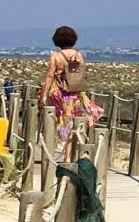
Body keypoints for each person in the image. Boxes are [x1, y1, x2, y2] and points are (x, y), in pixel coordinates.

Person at [43, 25, 102, 161]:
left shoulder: (56, 57)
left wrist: (44, 95)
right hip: (76, 92)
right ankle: (76, 153)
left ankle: (67, 156)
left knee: (65, 122)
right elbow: (80, 73)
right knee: (79, 122)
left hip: (61, 93)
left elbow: (50, 76)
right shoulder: (78, 55)